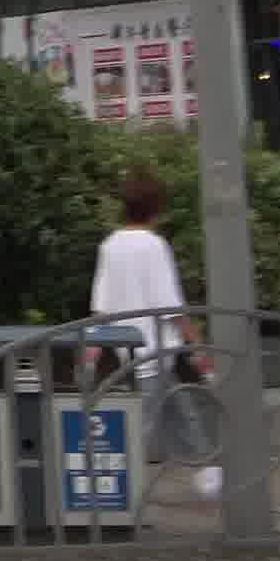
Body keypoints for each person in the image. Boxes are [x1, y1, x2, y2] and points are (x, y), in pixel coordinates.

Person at [87, 172, 222, 502]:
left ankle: (207, 473)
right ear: (156, 209)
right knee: (149, 421)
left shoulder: (109, 246)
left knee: (179, 406)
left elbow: (100, 307)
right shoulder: (154, 246)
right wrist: (198, 345)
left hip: (126, 349)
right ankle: (116, 491)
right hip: (157, 348)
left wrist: (91, 349)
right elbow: (171, 305)